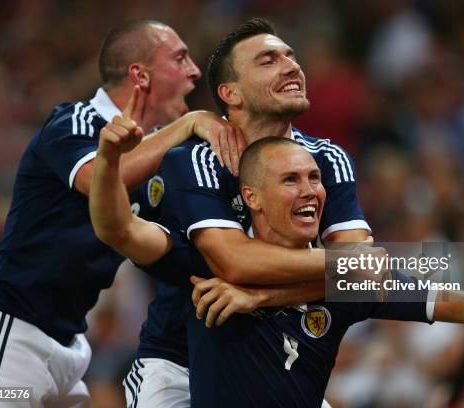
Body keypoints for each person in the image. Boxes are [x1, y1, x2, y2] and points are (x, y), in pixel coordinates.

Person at [90, 18, 378, 407]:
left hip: (278, 358)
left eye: (291, 57)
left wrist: (259, 297)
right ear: (231, 93)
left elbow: (369, 279)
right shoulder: (195, 158)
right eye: (268, 60)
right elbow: (234, 262)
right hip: (182, 365)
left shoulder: (327, 158)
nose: (292, 66)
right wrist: (350, 265)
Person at [0, 19, 239, 407]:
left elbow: (207, 251)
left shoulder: (305, 162)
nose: (196, 71)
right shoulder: (74, 121)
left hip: (69, 347)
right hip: (8, 334)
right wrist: (187, 125)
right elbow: (101, 183)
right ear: (139, 75)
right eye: (180, 58)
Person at [186, 137, 464, 406]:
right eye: (291, 180)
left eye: (314, 178)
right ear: (252, 197)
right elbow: (132, 235)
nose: (310, 191)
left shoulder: (350, 283)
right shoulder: (212, 260)